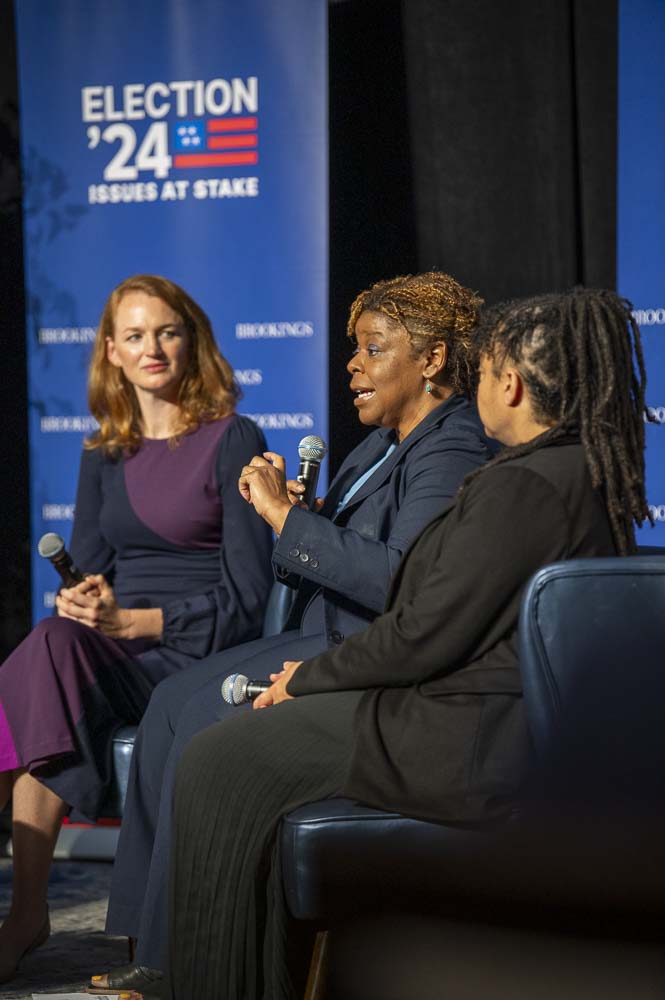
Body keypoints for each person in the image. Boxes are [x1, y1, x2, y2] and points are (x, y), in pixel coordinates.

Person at [155, 288, 650, 1000]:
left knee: (214, 760)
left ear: (508, 384)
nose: (475, 387)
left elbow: (420, 630)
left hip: (460, 735)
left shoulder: (522, 487)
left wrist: (309, 679)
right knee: (227, 740)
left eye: (482, 373)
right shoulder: (574, 470)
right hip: (464, 712)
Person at [89, 271, 494, 996]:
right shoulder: (376, 447)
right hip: (321, 628)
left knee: (206, 718)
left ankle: (192, 954)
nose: (352, 365)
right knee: (170, 702)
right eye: (351, 350)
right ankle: (153, 940)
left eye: (373, 349)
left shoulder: (450, 444)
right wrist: (290, 511)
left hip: (362, 651)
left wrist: (289, 521)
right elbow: (326, 558)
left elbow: (402, 582)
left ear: (430, 360)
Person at [0, 274, 274, 984]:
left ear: (191, 340)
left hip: (199, 649)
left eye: (166, 331)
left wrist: (135, 619)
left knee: (37, 668)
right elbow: (87, 567)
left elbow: (250, 595)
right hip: (116, 649)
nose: (152, 347)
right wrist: (82, 600)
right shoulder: (105, 450)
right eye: (134, 335)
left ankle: (24, 916)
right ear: (111, 353)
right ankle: (27, 913)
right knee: (50, 640)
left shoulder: (231, 437)